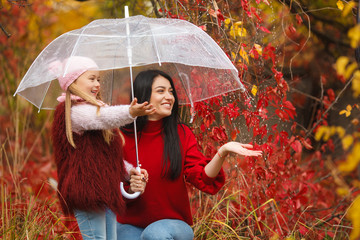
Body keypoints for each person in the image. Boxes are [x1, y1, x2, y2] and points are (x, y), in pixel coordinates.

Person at [116, 69, 262, 240]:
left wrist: (222, 152)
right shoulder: (121, 137)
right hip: (131, 225)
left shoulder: (181, 134)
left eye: (171, 91)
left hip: (173, 225)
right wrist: (131, 189)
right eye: (161, 91)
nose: (169, 97)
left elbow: (202, 178)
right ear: (143, 95)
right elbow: (112, 190)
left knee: (154, 234)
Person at [50, 56, 152, 240]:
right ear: (73, 81)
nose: (97, 84)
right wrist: (130, 112)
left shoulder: (93, 109)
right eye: (91, 79)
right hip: (86, 191)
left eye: (98, 79)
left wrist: (130, 172)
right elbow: (102, 117)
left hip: (105, 190)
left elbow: (108, 159)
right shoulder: (73, 111)